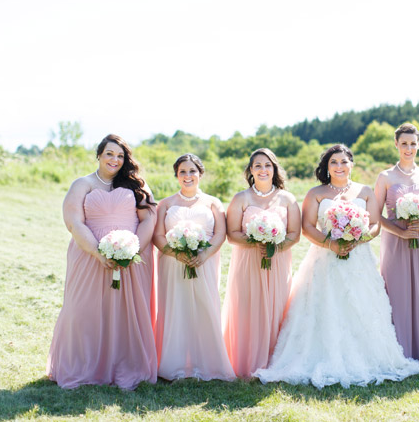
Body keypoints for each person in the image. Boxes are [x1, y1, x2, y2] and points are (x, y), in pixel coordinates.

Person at [254, 144, 419, 389]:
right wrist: (330, 244)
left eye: (344, 161)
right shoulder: (316, 193)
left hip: (359, 259)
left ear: (351, 164)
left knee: (362, 306)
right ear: (327, 166)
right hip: (324, 259)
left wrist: (358, 238)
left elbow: (375, 225)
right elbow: (308, 226)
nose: (339, 166)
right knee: (325, 306)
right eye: (334, 162)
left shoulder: (364, 191)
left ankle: (369, 355)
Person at [47, 134, 158, 389]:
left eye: (120, 156)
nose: (115, 160)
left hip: (131, 260)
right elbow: (74, 222)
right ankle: (85, 366)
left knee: (124, 313)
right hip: (88, 256)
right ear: (99, 155)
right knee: (83, 309)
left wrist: (133, 252)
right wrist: (98, 253)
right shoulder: (82, 184)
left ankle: (124, 365)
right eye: (109, 154)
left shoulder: (137, 184)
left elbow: (148, 220)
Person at [152, 154, 235, 381]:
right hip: (172, 262)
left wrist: (205, 254)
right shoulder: (166, 204)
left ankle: (207, 363)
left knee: (205, 306)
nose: (188, 176)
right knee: (175, 307)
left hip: (204, 262)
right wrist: (177, 253)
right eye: (182, 172)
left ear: (200, 173)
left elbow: (220, 233)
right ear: (177, 175)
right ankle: (173, 363)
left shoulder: (212, 202)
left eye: (192, 171)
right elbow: (158, 236)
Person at [221, 148, 301, 378]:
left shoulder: (287, 199)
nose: (263, 169)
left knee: (278, 307)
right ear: (251, 170)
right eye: (258, 165)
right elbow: (232, 234)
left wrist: (274, 247)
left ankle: (276, 361)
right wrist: (254, 242)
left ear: (274, 168)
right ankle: (246, 362)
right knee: (248, 307)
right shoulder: (241, 198)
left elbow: (295, 234)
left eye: (267, 165)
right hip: (247, 262)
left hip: (278, 262)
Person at [374, 123, 419, 368]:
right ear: (396, 144)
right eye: (404, 143)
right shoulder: (385, 177)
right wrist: (401, 232)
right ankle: (399, 352)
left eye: (413, 143)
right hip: (396, 240)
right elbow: (376, 216)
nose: (408, 148)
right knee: (397, 292)